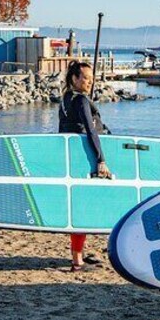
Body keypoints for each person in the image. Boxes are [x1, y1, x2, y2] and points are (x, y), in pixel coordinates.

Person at [58, 60, 113, 271]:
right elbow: (91, 131)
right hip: (86, 158)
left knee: (80, 207)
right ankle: (77, 260)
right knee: (84, 208)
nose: (89, 82)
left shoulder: (65, 99)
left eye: (91, 79)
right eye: (84, 78)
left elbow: (63, 130)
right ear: (74, 78)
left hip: (72, 157)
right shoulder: (80, 100)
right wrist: (101, 159)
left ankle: (78, 255)